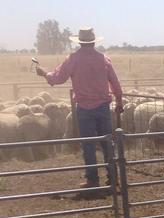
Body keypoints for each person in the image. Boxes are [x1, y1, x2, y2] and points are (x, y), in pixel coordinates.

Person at [36, 27, 123, 188]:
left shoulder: (73, 59)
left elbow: (58, 78)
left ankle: (92, 179)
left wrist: (44, 73)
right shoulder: (103, 59)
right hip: (103, 107)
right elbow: (115, 82)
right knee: (107, 142)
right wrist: (119, 101)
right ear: (93, 41)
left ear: (80, 42)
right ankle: (113, 177)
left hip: (84, 108)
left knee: (88, 144)